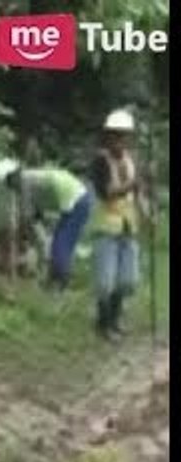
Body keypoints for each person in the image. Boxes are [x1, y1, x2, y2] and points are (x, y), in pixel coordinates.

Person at [0, 158, 93, 290]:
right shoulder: (28, 178)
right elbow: (33, 211)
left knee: (61, 244)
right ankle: (54, 277)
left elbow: (26, 215)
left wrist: (20, 236)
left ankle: (59, 284)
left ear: (13, 176)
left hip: (76, 201)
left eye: (8, 181)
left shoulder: (24, 182)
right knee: (56, 240)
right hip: (72, 199)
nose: (9, 186)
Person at [89, 109, 142, 341]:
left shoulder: (130, 161)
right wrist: (131, 185)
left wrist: (148, 213)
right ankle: (105, 324)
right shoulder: (100, 161)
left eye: (124, 136)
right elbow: (106, 193)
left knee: (128, 280)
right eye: (116, 136)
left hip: (129, 226)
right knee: (105, 282)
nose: (120, 141)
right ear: (108, 137)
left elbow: (138, 192)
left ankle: (116, 316)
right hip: (106, 228)